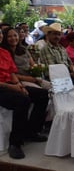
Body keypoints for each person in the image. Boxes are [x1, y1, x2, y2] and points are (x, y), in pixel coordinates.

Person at [0, 29, 48, 160]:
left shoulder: (4, 53)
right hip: (2, 87)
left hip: (11, 84)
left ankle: (31, 131)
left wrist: (19, 86)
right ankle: (15, 143)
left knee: (43, 94)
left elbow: (12, 73)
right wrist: (14, 87)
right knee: (23, 101)